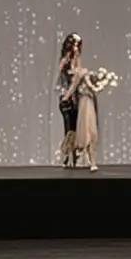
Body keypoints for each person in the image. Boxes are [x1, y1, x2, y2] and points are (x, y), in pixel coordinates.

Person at [57, 34, 85, 169]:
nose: (77, 48)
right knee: (69, 128)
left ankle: (71, 157)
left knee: (72, 129)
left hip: (71, 97)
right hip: (67, 97)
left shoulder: (74, 60)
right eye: (75, 44)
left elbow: (75, 81)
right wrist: (66, 96)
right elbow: (68, 79)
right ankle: (68, 156)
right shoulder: (66, 60)